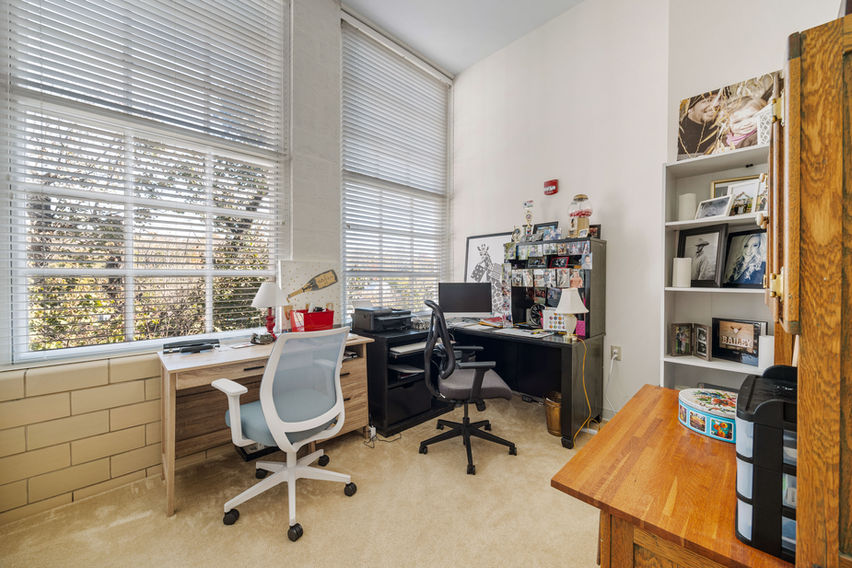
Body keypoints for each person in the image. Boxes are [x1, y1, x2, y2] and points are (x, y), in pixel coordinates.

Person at [678, 91, 721, 158]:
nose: (716, 104)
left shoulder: (722, 132)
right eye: (708, 100)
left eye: (720, 99)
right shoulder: (677, 133)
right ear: (690, 108)